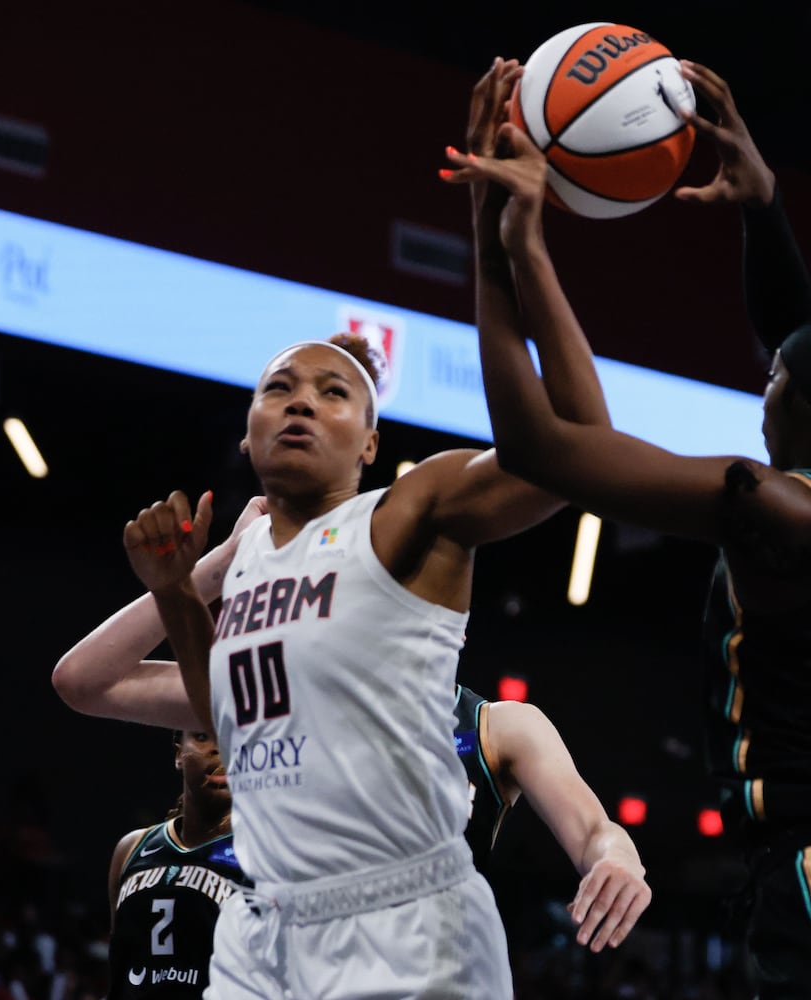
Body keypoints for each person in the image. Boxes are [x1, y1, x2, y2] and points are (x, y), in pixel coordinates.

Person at [443, 60, 811, 999]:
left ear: (805, 406)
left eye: (774, 375)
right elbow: (799, 347)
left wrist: (502, 244)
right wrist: (761, 206)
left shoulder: (773, 507)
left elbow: (539, 446)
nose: (760, 378)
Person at [116, 57, 636, 1000]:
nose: (301, 403)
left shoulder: (409, 512)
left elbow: (576, 446)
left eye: (333, 393)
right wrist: (173, 595)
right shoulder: (246, 562)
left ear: (370, 443)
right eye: (279, 388)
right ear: (247, 431)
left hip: (406, 925)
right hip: (261, 920)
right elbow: (223, 711)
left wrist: (510, 248)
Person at [54, 526, 651, 953]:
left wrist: (616, 858)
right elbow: (83, 682)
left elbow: (595, 831)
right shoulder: (290, 696)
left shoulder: (499, 729)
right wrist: (217, 564)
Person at [107, 729, 246, 998]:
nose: (219, 750)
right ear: (179, 754)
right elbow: (119, 967)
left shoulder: (263, 851)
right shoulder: (131, 849)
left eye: (233, 736)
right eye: (203, 736)